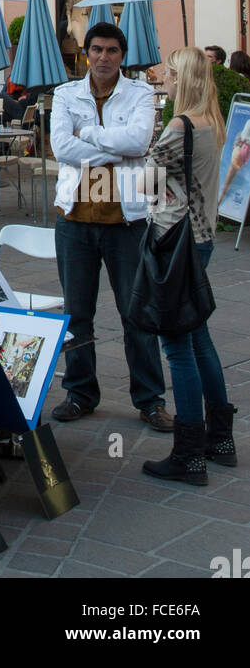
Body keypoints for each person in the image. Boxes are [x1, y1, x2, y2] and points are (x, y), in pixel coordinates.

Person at [49, 21, 173, 431]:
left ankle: (150, 399)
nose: (104, 57)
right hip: (75, 219)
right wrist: (109, 147)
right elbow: (60, 148)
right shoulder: (66, 94)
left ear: (123, 55)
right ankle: (80, 393)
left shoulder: (140, 94)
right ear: (87, 53)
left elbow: (139, 142)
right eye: (97, 50)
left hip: (127, 220)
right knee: (77, 313)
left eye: (112, 50)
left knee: (137, 312)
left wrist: (87, 133)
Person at [141, 48, 236, 484]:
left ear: (185, 79)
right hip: (203, 240)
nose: (166, 81)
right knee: (200, 341)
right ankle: (220, 440)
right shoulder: (212, 123)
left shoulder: (179, 127)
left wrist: (148, 148)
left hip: (176, 242)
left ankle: (189, 453)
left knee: (177, 345)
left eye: (171, 75)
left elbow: (147, 182)